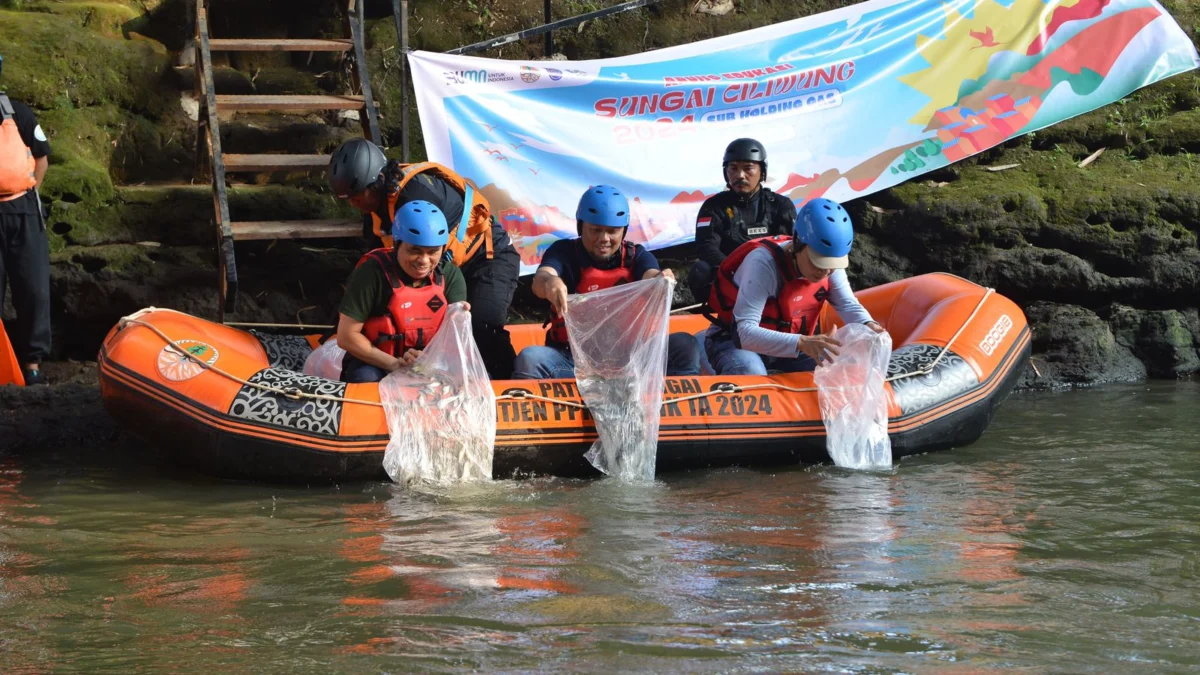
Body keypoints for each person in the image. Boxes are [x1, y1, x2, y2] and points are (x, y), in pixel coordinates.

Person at [328, 138, 521, 379]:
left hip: (488, 255)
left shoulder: (417, 198)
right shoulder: (377, 210)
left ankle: (508, 384)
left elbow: (426, 260)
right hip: (446, 261)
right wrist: (348, 313)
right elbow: (373, 264)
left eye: (357, 196)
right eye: (349, 199)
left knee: (482, 325)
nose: (354, 204)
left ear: (376, 181)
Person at [512, 185, 701, 380]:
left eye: (612, 231)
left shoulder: (637, 256)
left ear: (623, 231)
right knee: (531, 358)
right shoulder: (564, 252)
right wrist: (550, 282)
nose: (604, 239)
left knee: (685, 346)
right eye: (595, 230)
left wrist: (661, 280)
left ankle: (673, 406)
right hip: (573, 362)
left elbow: (650, 274)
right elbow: (541, 278)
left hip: (630, 361)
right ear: (581, 226)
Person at [704, 198, 885, 376]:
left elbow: (847, 304)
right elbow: (744, 334)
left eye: (832, 264)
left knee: (842, 369)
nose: (826, 271)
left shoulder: (830, 266)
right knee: (750, 372)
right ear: (798, 244)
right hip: (732, 341)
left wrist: (871, 326)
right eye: (818, 263)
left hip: (791, 344)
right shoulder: (763, 264)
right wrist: (802, 342)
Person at [335, 201, 469, 383]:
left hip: (433, 362)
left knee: (469, 379)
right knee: (365, 377)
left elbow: (455, 340)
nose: (424, 260)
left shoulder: (450, 275)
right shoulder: (371, 273)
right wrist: (396, 365)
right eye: (414, 250)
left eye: (433, 252)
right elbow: (346, 336)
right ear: (397, 244)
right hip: (379, 362)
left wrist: (428, 359)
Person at [686, 138, 796, 304]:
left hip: (773, 277)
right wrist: (741, 271)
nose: (740, 175)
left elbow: (792, 246)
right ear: (725, 172)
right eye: (733, 169)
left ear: (762, 171)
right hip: (732, 278)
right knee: (700, 270)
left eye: (748, 169)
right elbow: (706, 247)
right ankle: (723, 318)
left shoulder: (781, 205)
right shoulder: (713, 207)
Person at [0, 53, 52, 386]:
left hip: (23, 211)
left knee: (33, 288)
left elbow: (42, 158)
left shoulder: (18, 113)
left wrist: (30, 192)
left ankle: (32, 363)